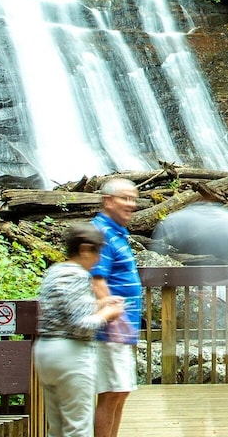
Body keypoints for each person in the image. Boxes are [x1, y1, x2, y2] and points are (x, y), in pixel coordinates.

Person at [34, 224, 127, 437]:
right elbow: (80, 326)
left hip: (46, 352)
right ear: (85, 249)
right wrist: (108, 315)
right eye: (98, 253)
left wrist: (102, 303)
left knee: (56, 428)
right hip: (71, 355)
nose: (99, 260)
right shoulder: (78, 275)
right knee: (78, 428)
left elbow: (66, 311)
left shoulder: (55, 272)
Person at [90, 178, 143, 437]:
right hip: (112, 328)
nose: (131, 204)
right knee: (111, 392)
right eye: (125, 198)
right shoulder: (100, 233)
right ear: (107, 200)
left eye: (134, 199)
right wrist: (114, 321)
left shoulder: (117, 233)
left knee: (120, 391)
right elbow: (97, 280)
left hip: (122, 328)